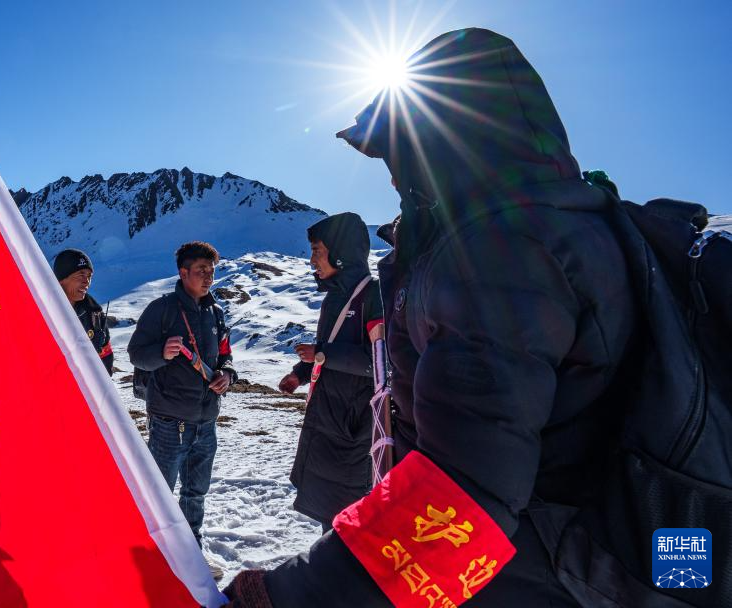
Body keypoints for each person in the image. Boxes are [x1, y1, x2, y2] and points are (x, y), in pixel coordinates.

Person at [225, 28, 641, 607]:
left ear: (440, 148)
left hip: (536, 575)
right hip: (589, 558)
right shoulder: (573, 225)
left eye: (400, 155)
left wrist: (285, 597)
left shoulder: (501, 257)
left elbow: (462, 494)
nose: (396, 178)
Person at [127, 241, 237, 555]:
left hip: (206, 422)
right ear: (183, 272)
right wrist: (161, 353)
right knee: (158, 495)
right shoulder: (161, 310)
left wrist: (227, 375)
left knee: (196, 493)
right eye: (201, 270)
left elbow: (226, 356)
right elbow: (136, 354)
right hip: (168, 422)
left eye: (211, 271)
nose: (208, 277)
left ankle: (191, 554)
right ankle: (154, 556)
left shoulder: (216, 313)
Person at [278, 212, 382, 532]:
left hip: (355, 426)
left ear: (340, 252)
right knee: (331, 514)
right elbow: (329, 348)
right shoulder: (335, 299)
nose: (312, 260)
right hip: (329, 420)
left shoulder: (373, 295)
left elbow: (380, 362)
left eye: (317, 251)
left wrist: (323, 353)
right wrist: (300, 372)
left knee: (349, 514)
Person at [53, 248, 113, 375]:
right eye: (81, 275)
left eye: (89, 276)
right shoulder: (41, 312)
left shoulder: (95, 315)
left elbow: (105, 357)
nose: (87, 282)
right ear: (62, 279)